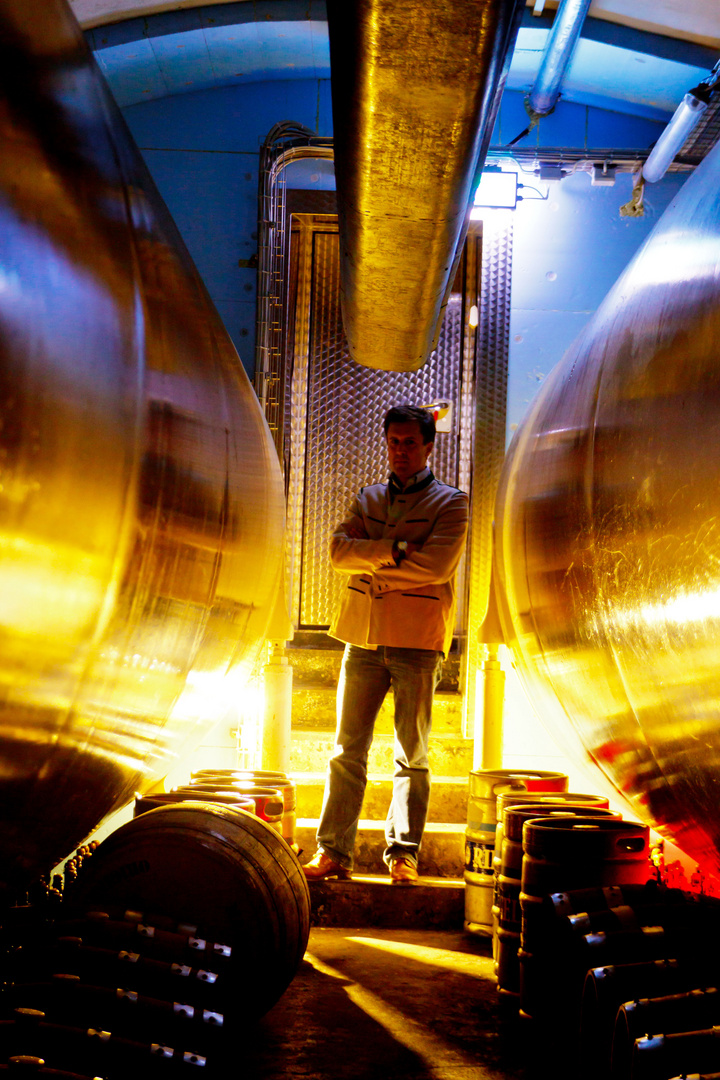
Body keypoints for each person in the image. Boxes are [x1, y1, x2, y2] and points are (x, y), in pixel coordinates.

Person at [302, 404, 469, 885]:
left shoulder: (451, 503)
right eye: (394, 442)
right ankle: (333, 850)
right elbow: (337, 554)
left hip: (418, 642)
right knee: (345, 749)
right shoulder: (368, 497)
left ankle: (403, 853)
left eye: (410, 443)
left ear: (429, 445)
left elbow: (437, 568)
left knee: (410, 753)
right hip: (362, 638)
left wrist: (369, 560)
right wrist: (396, 551)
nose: (400, 451)